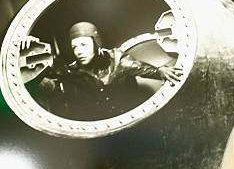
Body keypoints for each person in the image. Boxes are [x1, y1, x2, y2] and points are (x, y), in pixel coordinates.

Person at [22, 21, 182, 120]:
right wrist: (29, 50)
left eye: (83, 45)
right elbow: (39, 76)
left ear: (96, 44)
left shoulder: (117, 59)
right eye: (75, 47)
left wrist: (160, 71)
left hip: (130, 120)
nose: (78, 51)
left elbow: (141, 68)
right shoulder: (72, 71)